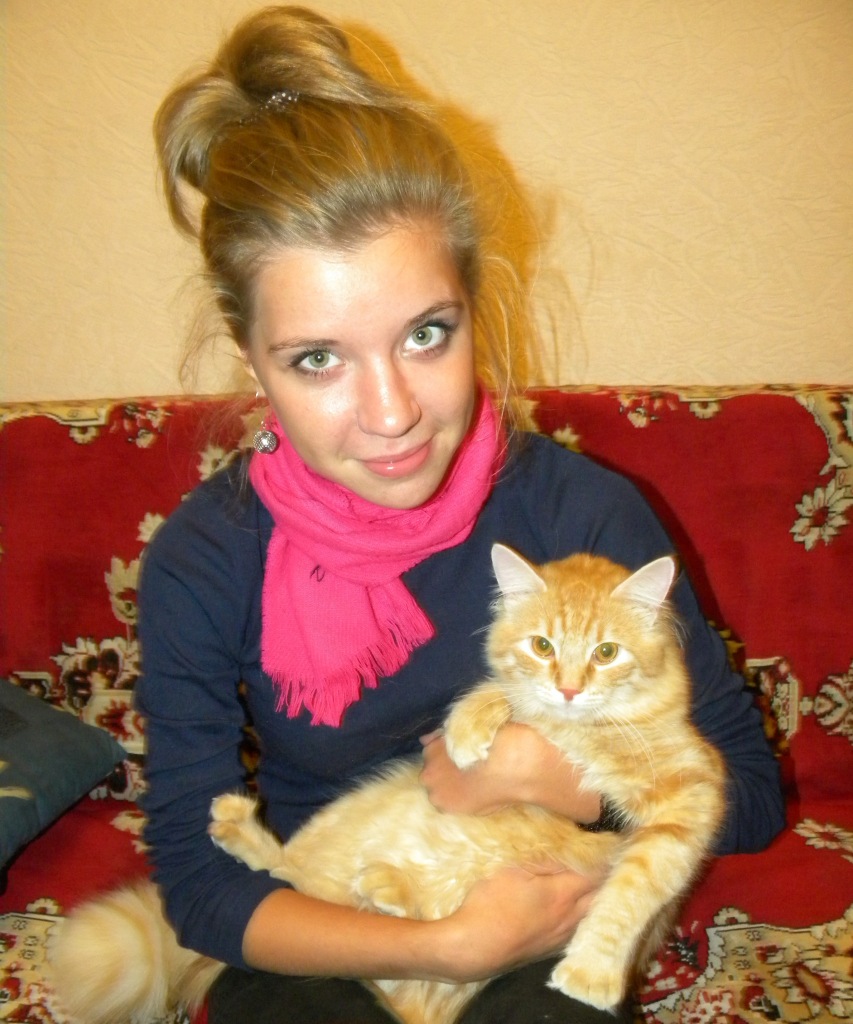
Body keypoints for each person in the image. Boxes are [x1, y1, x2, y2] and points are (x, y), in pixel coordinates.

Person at [136, 7, 785, 1023]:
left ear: (475, 310)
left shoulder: (583, 511)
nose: (391, 412)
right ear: (251, 360)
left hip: (542, 909)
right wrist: (442, 945)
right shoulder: (204, 557)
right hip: (335, 911)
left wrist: (571, 782)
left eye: (425, 335)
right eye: (318, 359)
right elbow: (198, 879)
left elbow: (749, 790)